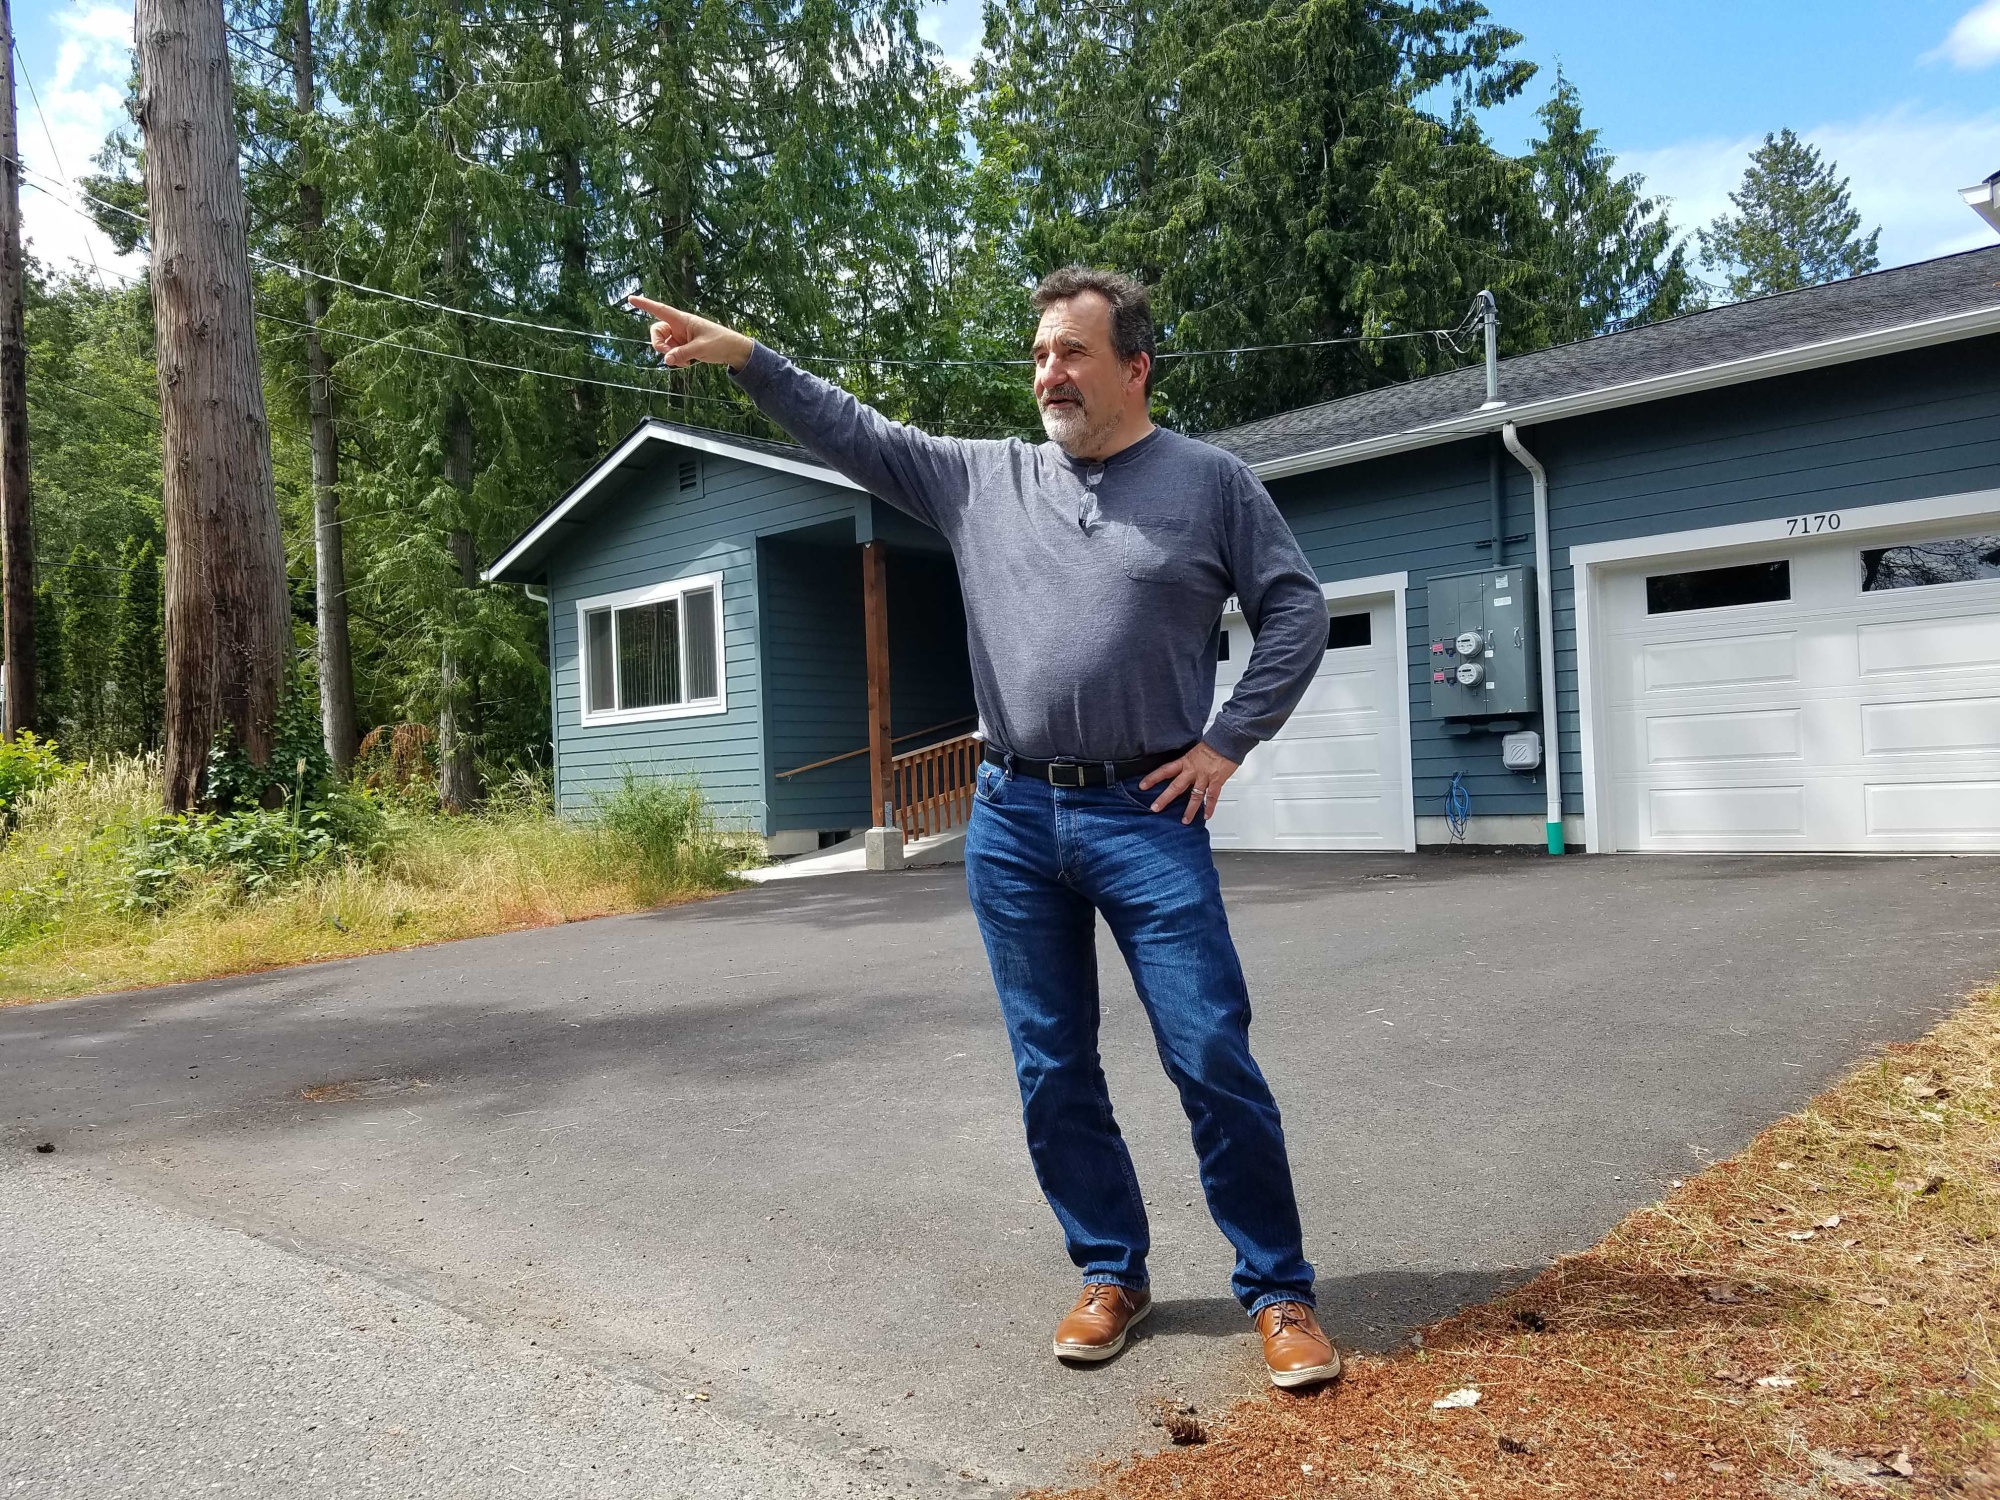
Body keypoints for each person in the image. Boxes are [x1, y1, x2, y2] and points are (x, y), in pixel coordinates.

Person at [628, 268, 1340, 1388]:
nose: (1048, 372)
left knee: (1207, 1049)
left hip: (1145, 811)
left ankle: (1280, 1290)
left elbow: (1296, 606)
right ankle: (1111, 1270)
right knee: (1050, 1063)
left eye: (1072, 352)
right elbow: (851, 430)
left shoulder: (1210, 485)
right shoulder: (981, 480)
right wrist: (748, 360)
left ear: (1134, 364)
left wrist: (1227, 740)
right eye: (1039, 353)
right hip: (1009, 814)